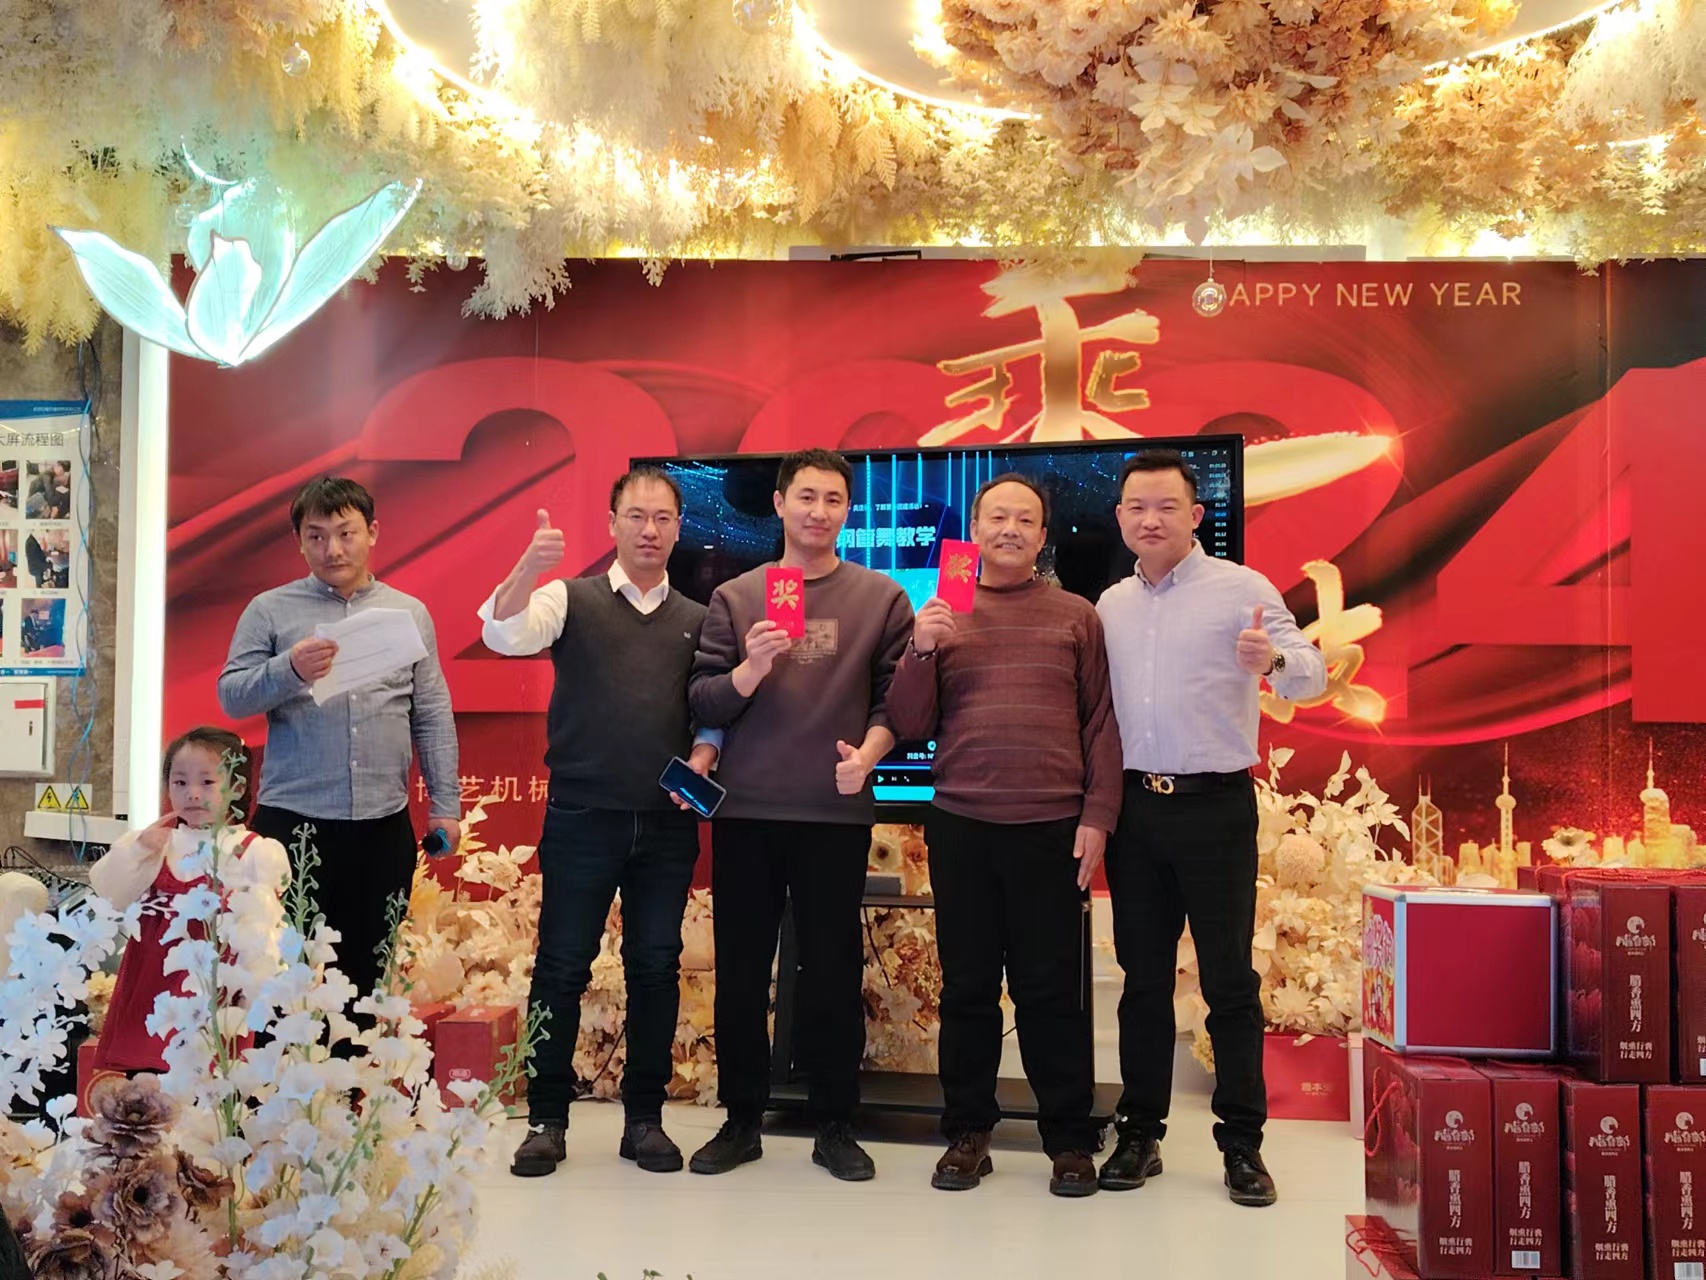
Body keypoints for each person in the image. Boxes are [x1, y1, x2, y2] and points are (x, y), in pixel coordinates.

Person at [1094, 450, 1327, 1208]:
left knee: (1229, 981)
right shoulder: (1109, 605)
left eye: (1167, 506)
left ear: (1195, 516)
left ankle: (1243, 1144)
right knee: (1143, 980)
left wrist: (1273, 658)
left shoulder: (1242, 589)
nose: (1150, 519)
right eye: (1136, 506)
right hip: (1136, 811)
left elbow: (1313, 671)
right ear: (1120, 517)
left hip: (1215, 806)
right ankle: (1139, 1133)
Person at [478, 466, 722, 1179]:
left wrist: (706, 753)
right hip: (582, 817)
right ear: (612, 523)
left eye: (663, 518)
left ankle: (644, 1120)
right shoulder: (569, 598)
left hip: (665, 824)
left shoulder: (699, 617)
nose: (649, 530)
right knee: (561, 967)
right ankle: (546, 1121)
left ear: (679, 528)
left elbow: (712, 708)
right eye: (635, 516)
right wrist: (527, 567)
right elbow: (503, 634)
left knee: (656, 968)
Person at [887, 473, 1122, 1199]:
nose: (1010, 529)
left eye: (1025, 519)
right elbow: (910, 722)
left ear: (1043, 535)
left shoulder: (1077, 616)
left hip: (1051, 827)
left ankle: (1069, 1140)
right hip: (961, 824)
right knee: (967, 988)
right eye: (997, 517)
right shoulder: (942, 610)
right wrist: (921, 650)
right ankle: (968, 1132)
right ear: (975, 531)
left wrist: (1097, 816)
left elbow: (1101, 724)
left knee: (1050, 991)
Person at [687, 447, 913, 1182]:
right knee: (742, 972)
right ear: (780, 504)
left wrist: (868, 755)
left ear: (848, 510)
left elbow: (899, 704)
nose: (819, 511)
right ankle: (741, 1119)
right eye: (806, 497)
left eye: (833, 499)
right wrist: (750, 669)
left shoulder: (882, 597)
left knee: (833, 972)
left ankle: (835, 1124)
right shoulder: (737, 596)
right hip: (748, 813)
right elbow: (703, 699)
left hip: (834, 812)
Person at [217, 476, 460, 1006]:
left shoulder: (408, 614)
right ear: (299, 542)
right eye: (317, 536)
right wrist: (288, 669)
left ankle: (353, 1063)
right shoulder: (270, 610)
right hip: (292, 825)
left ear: (372, 532)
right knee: (282, 980)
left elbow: (432, 714)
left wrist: (446, 806)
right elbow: (231, 696)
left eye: (346, 533)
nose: (333, 549)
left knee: (363, 982)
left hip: (381, 825)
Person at [89, 728, 290, 1075]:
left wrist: (255, 994)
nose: (192, 794)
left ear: (237, 788)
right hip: (151, 985)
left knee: (206, 1083)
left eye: (207, 782)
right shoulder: (158, 843)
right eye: (179, 782)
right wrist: (138, 850)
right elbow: (110, 894)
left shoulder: (255, 852)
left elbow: (264, 933)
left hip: (214, 989)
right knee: (146, 1082)